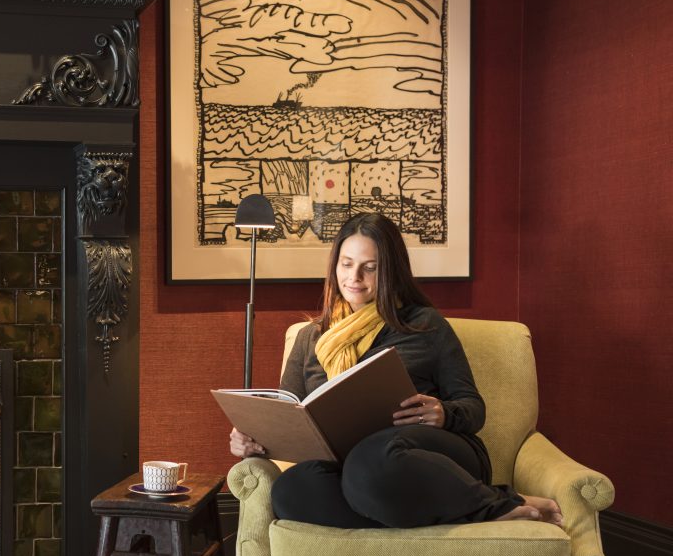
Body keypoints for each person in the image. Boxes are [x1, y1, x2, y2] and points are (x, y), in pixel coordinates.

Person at [229, 213, 562, 529]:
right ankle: (459, 509)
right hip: (353, 470)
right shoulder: (310, 338)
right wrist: (257, 440)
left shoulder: (424, 325)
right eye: (346, 264)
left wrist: (442, 413)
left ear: (390, 270)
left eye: (369, 268)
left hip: (421, 456)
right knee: (293, 491)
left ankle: (491, 504)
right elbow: (290, 415)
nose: (353, 278)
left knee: (371, 462)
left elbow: (473, 409)